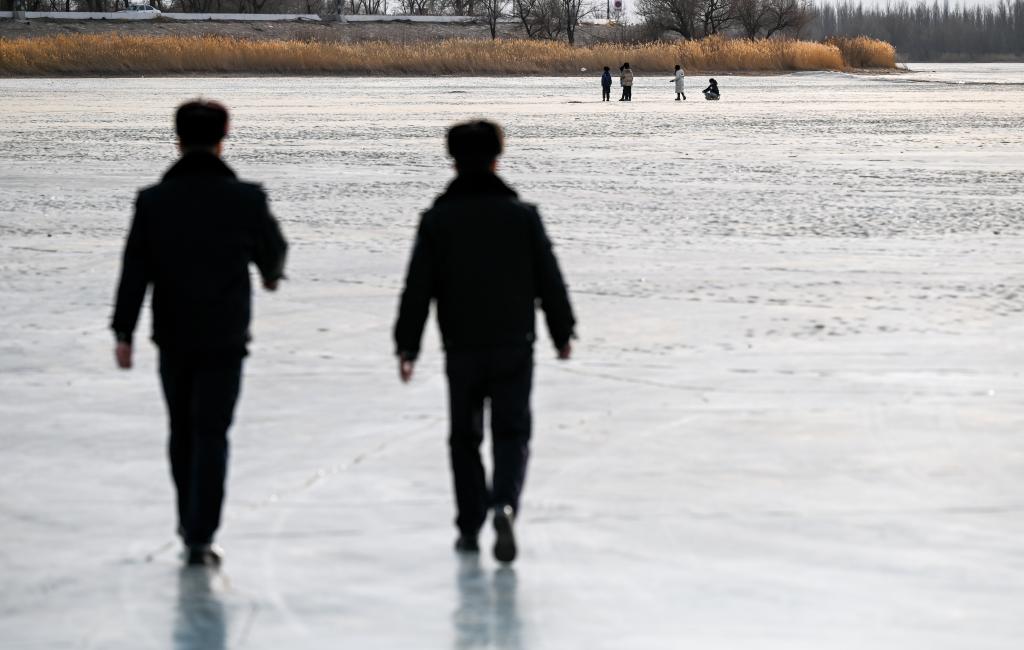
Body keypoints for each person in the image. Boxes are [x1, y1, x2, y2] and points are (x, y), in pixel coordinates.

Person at [111, 100, 288, 568]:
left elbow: (135, 269)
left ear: (178, 137)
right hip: (226, 334)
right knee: (213, 433)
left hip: (173, 333)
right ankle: (200, 535)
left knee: (181, 430)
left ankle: (188, 524)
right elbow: (274, 248)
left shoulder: (154, 201)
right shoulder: (246, 198)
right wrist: (270, 274)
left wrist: (123, 330)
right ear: (222, 136)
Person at [393, 121, 576, 564]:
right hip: (515, 342)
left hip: (462, 345)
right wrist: (561, 330)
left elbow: (418, 287)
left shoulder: (438, 219)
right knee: (512, 431)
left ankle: (470, 525)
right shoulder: (522, 216)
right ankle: (505, 504)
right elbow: (548, 278)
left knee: (465, 437)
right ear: (498, 157)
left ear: (452, 160)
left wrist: (407, 345)